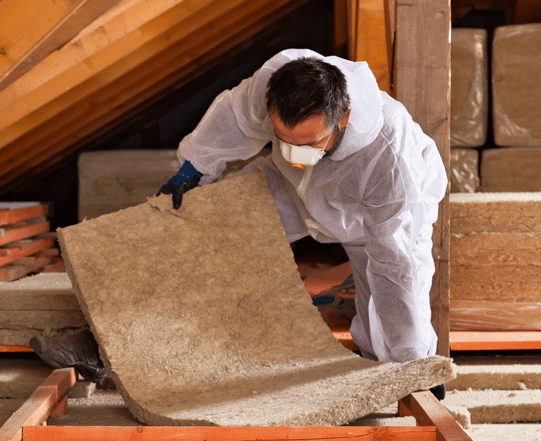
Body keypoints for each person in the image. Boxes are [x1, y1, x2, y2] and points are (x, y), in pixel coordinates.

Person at [157, 49, 447, 391]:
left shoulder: (389, 156)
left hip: (371, 212)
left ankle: (403, 359)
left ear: (343, 119)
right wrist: (192, 169)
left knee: (385, 285)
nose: (297, 154)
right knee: (222, 221)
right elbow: (232, 120)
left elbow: (396, 267)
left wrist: (412, 363)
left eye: (309, 143)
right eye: (285, 140)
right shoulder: (271, 86)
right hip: (291, 186)